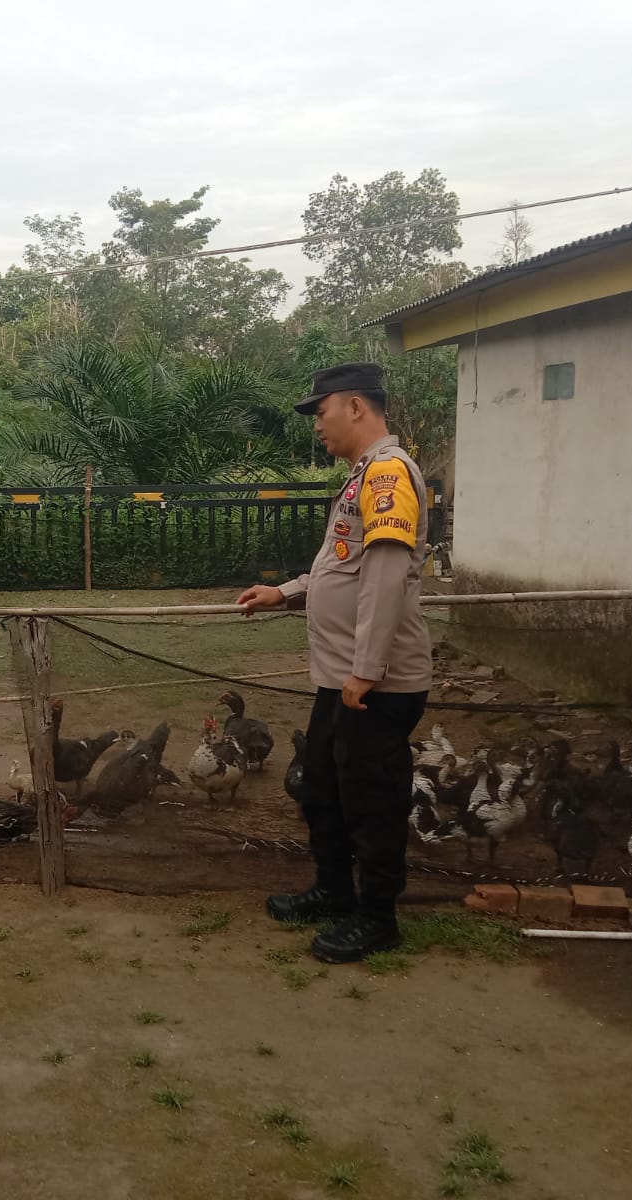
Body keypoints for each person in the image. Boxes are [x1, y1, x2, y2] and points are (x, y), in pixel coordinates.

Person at [238, 362, 433, 964]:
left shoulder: (388, 476)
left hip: (373, 681)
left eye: (320, 411)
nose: (316, 425)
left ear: (354, 406)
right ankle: (332, 889)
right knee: (323, 787)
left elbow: (384, 575)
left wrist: (367, 670)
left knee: (372, 799)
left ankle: (376, 918)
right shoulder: (362, 479)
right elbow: (340, 565)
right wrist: (288, 591)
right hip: (341, 678)